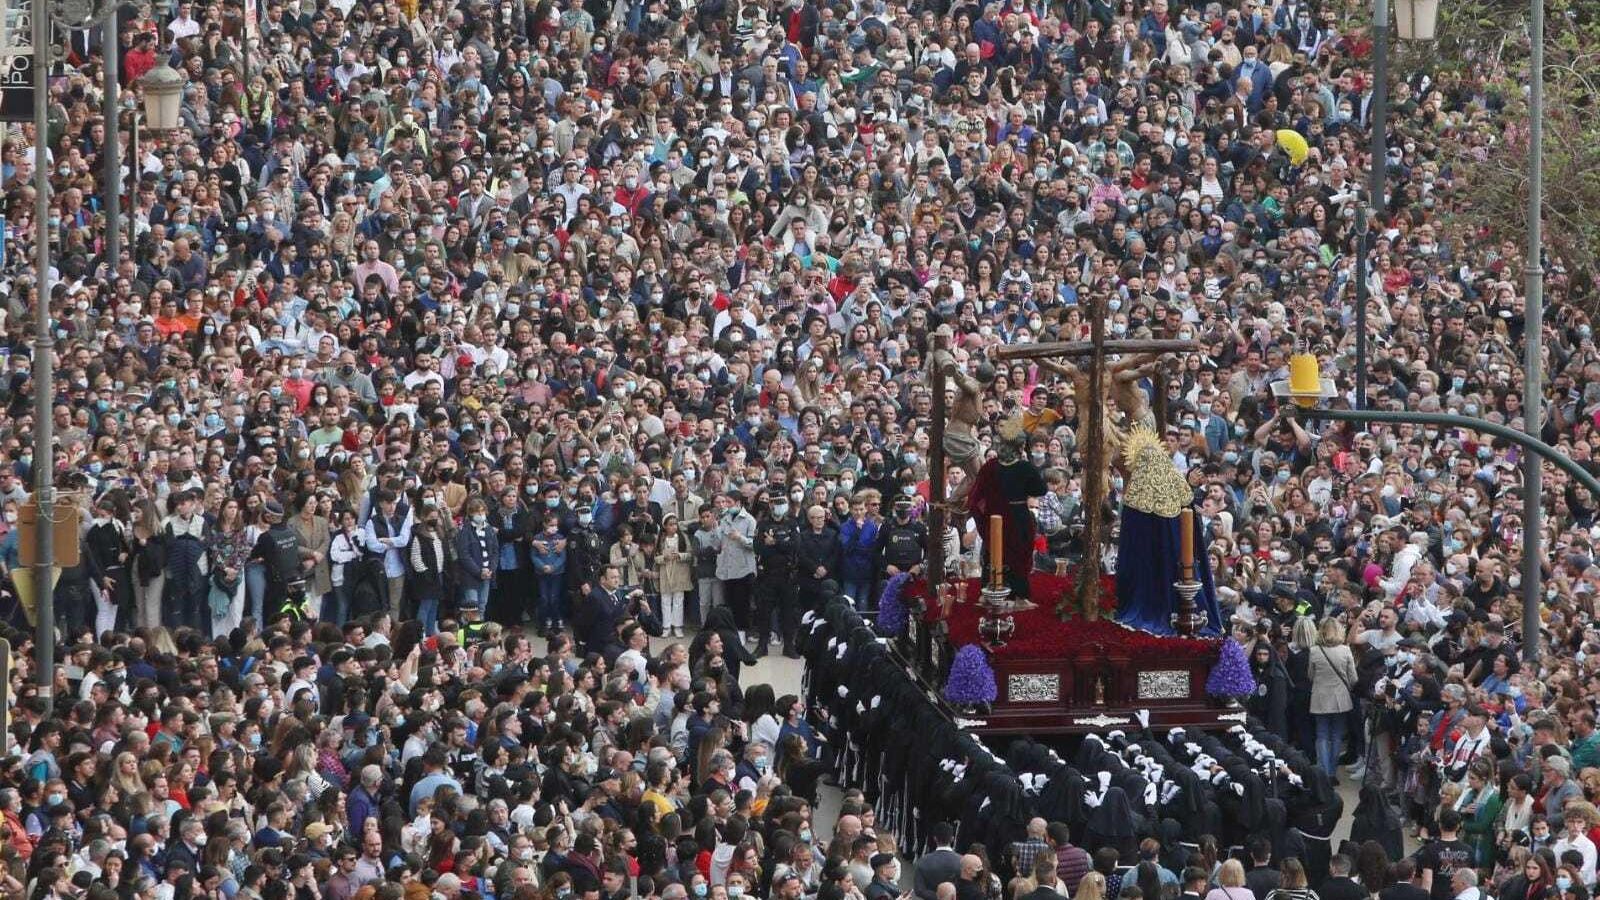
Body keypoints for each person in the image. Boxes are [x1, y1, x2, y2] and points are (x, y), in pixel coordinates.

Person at [1309, 617, 1359, 778]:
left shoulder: (1314, 650)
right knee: (1337, 735)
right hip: (1341, 698)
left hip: (1320, 697)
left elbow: (1310, 675)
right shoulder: (1345, 650)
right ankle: (1332, 772)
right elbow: (1353, 678)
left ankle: (1323, 771)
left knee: (1322, 735)